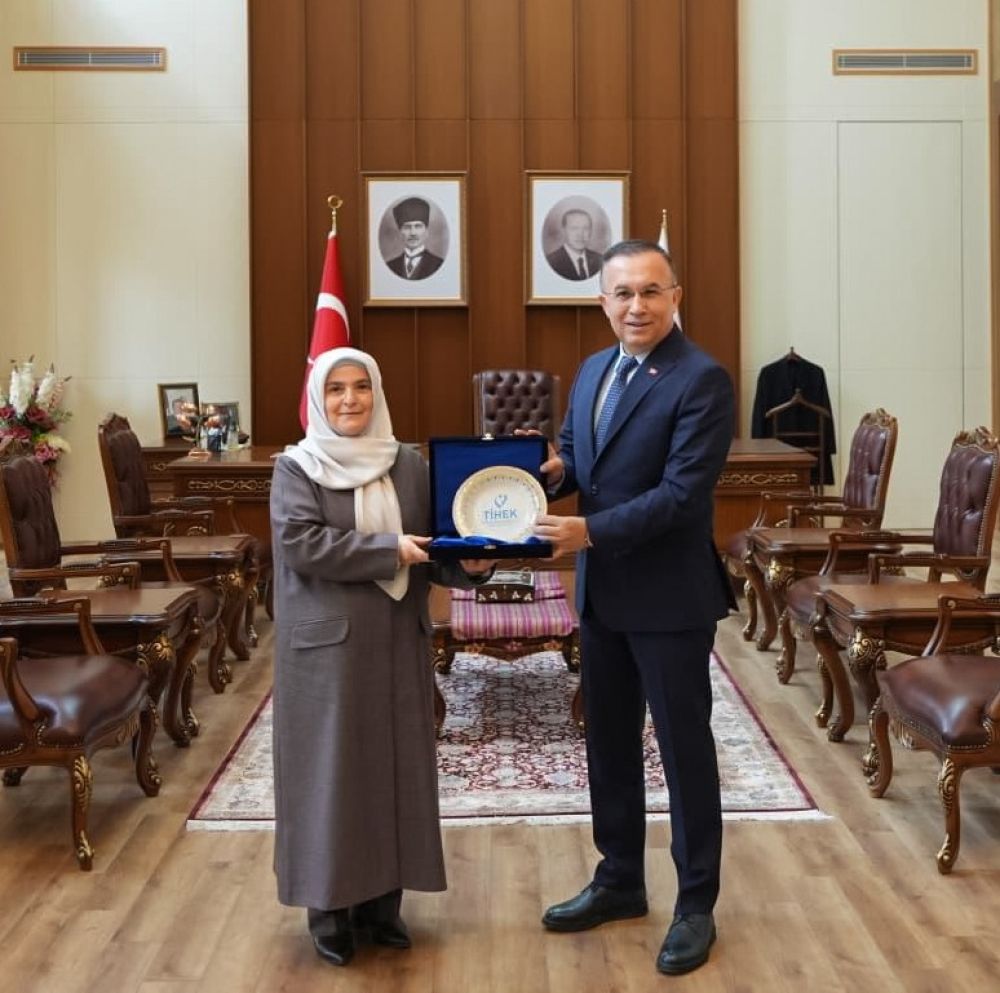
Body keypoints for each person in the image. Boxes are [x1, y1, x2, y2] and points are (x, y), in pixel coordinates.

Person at [532, 240, 735, 976]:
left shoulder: (702, 379)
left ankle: (696, 904)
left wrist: (587, 531)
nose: (637, 306)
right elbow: (576, 461)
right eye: (623, 293)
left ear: (675, 296)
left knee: (683, 753)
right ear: (603, 303)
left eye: (651, 291)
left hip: (670, 598)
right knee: (609, 744)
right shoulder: (593, 370)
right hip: (603, 597)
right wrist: (533, 475)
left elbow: (681, 497)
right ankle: (620, 879)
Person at [269, 346, 493, 968]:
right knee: (332, 777)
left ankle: (382, 907)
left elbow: (435, 545)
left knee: (395, 771)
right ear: (319, 399)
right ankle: (329, 909)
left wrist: (474, 563)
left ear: (378, 393)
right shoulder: (296, 468)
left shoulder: (409, 464)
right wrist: (390, 549)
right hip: (328, 652)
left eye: (361, 386)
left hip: (397, 638)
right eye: (336, 388)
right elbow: (302, 544)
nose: (350, 399)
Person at [385, 197, 444, 280]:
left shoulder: (439, 265)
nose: (412, 233)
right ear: (400, 232)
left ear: (426, 231)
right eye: (407, 227)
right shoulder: (390, 266)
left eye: (418, 226)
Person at [545, 208, 604, 281]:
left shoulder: (599, 260)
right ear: (564, 231)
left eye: (586, 228)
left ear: (591, 231)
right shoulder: (553, 261)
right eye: (574, 228)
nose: (580, 234)